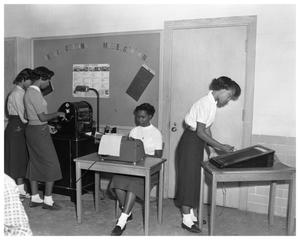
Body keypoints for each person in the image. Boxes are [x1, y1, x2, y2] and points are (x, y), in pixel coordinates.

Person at [175, 76, 241, 233]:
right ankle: (186, 219)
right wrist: (221, 147)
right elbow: (200, 131)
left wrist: (211, 150)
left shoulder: (212, 104)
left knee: (193, 179)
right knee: (188, 179)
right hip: (190, 141)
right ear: (223, 90)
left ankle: (191, 216)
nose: (228, 100)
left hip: (196, 142)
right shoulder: (205, 103)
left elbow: (207, 129)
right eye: (229, 96)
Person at [110, 103, 163, 236]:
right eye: (138, 117)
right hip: (133, 167)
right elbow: (128, 150)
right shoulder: (134, 131)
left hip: (150, 170)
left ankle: (122, 221)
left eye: (143, 117)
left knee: (133, 186)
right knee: (117, 182)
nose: (140, 120)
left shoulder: (156, 133)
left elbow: (158, 156)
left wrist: (141, 153)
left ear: (150, 116)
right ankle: (128, 211)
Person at [24, 66, 66, 210]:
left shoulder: (30, 91)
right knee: (52, 164)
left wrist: (45, 126)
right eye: (48, 80)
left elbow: (28, 116)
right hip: (38, 132)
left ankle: (35, 198)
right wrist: (58, 114)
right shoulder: (34, 93)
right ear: (42, 79)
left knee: (34, 162)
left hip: (33, 129)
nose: (49, 83)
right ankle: (48, 201)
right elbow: (42, 116)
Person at [5, 68, 39, 200]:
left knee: (19, 158)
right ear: (24, 79)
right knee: (16, 159)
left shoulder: (19, 92)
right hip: (17, 127)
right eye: (30, 81)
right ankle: (17, 191)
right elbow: (23, 116)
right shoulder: (17, 94)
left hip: (17, 126)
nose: (31, 84)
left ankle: (20, 190)